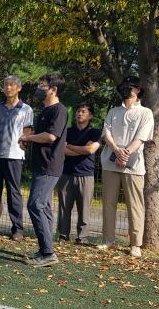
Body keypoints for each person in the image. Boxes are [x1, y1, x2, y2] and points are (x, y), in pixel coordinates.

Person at [98, 76, 154, 258]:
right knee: (108, 203)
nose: (125, 89)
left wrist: (125, 153)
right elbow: (106, 133)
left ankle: (135, 244)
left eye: (129, 87)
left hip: (134, 166)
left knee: (135, 205)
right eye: (123, 86)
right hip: (110, 162)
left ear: (137, 90)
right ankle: (108, 240)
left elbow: (141, 137)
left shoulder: (146, 113)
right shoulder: (113, 111)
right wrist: (116, 150)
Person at [20, 73, 68, 267]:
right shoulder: (45, 110)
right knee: (44, 207)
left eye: (42, 86)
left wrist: (29, 138)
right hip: (41, 164)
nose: (38, 89)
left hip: (50, 165)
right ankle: (45, 249)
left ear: (53, 89)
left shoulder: (59, 110)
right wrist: (28, 141)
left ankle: (48, 252)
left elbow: (51, 137)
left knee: (35, 205)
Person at [0, 75, 34, 242]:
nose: (8, 88)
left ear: (19, 88)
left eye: (12, 85)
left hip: (15, 155)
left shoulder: (26, 109)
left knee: (14, 192)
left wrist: (22, 144)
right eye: (6, 85)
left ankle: (17, 229)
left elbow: (28, 131)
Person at [56, 102, 101, 243]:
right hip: (66, 174)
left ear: (90, 115)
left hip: (86, 176)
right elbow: (62, 151)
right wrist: (81, 149)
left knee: (84, 210)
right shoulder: (67, 131)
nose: (79, 114)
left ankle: (82, 237)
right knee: (64, 208)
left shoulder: (95, 132)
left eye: (83, 111)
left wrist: (69, 146)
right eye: (78, 111)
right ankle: (63, 235)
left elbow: (90, 150)